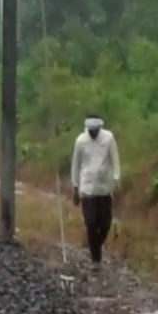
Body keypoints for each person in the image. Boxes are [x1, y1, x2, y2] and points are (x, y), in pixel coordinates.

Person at [71, 114, 120, 270]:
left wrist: (116, 181)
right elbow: (76, 165)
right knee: (91, 222)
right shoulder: (81, 141)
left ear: (100, 128)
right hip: (87, 188)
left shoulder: (108, 138)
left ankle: (95, 244)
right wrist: (75, 187)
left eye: (96, 130)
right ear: (87, 128)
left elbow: (115, 161)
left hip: (104, 188)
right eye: (91, 130)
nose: (93, 133)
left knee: (105, 223)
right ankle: (96, 259)